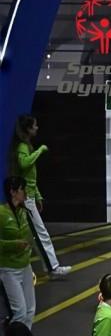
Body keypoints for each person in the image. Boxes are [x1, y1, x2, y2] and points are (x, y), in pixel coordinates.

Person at [8, 115, 71, 278]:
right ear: (28, 129)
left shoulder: (26, 146)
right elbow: (24, 164)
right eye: (34, 126)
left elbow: (30, 177)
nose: (37, 128)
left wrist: (38, 196)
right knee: (40, 233)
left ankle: (22, 268)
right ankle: (52, 268)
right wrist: (40, 150)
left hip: (28, 197)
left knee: (30, 235)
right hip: (25, 199)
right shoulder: (23, 146)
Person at [0, 177, 35, 329]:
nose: (25, 193)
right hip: (9, 269)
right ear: (13, 192)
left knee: (30, 310)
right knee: (20, 312)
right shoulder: (1, 214)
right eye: (22, 189)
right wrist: (14, 245)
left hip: (25, 266)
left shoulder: (23, 212)